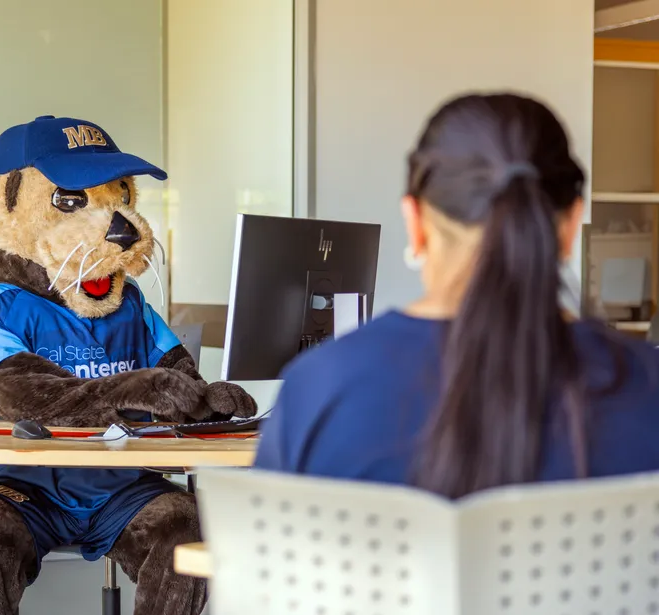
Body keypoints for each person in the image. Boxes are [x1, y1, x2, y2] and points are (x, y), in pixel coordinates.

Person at [254, 92, 659, 498]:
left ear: (415, 222)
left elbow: (262, 554)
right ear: (572, 223)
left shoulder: (322, 387)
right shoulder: (647, 384)